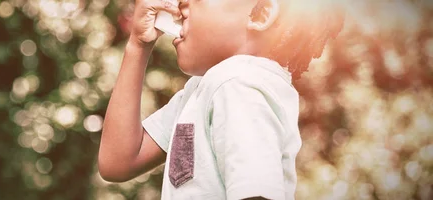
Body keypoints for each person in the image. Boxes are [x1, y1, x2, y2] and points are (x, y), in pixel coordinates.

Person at [97, 0, 345, 199]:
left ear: (260, 15)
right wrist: (138, 46)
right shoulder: (207, 89)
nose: (181, 4)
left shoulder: (240, 84)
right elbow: (118, 162)